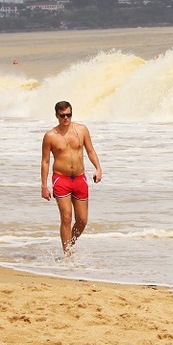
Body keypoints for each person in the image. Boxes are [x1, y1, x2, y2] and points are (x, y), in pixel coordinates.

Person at [41, 101, 103, 255]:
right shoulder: (50, 136)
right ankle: (67, 252)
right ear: (57, 115)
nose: (66, 118)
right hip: (61, 179)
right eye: (62, 115)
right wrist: (44, 186)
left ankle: (70, 243)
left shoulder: (81, 130)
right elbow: (45, 161)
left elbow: (90, 150)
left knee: (82, 220)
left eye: (69, 115)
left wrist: (98, 168)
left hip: (80, 178)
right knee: (67, 217)